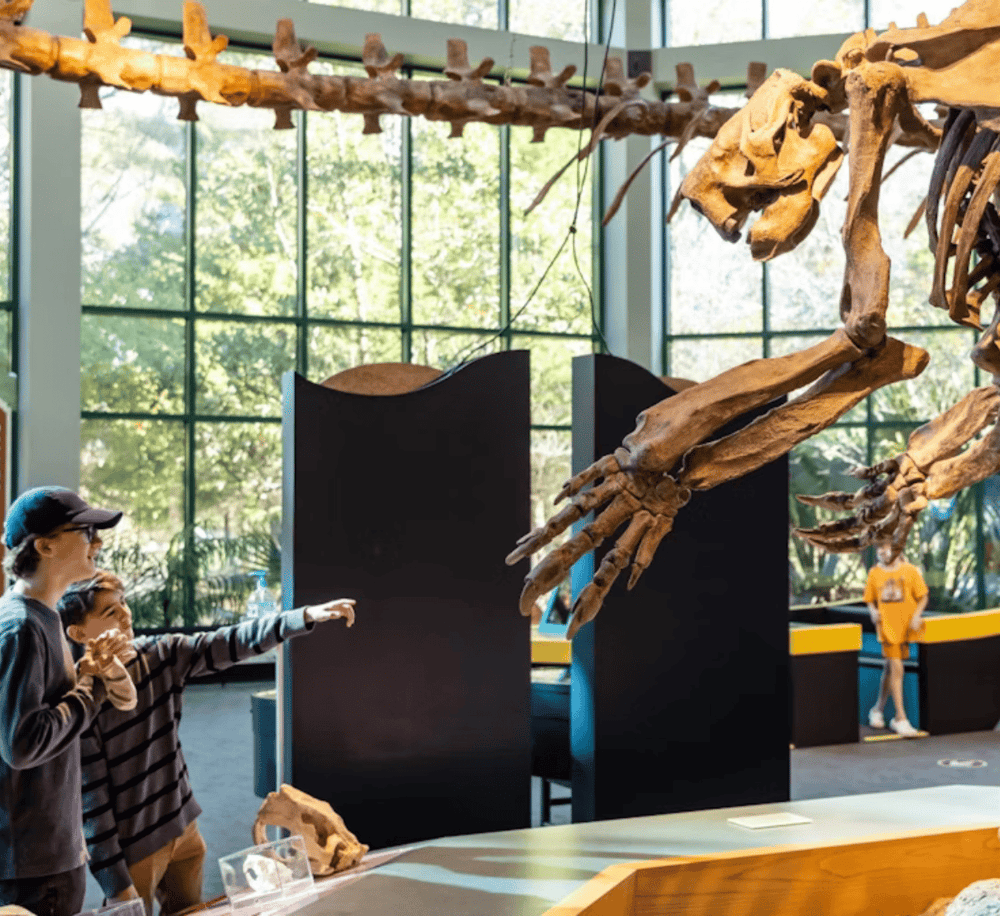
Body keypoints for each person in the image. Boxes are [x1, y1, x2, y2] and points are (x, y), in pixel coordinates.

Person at [58, 569, 356, 916]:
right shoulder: (82, 701)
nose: (126, 614)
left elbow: (227, 641)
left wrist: (302, 617)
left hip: (184, 828)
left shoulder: (159, 654)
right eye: (111, 611)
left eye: (123, 603)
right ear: (78, 632)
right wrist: (114, 883)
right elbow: (91, 801)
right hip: (135, 849)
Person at [0, 486, 136, 916]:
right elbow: (22, 743)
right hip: (33, 868)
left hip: (46, 853)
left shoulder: (43, 616)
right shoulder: (22, 627)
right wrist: (91, 687)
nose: (97, 543)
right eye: (85, 532)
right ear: (45, 546)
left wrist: (93, 674)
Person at [863, 542, 928, 738]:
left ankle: (877, 709)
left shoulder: (910, 571)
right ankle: (900, 718)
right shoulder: (874, 573)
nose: (883, 551)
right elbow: (869, 599)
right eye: (880, 548)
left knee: (890, 669)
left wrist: (916, 616)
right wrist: (873, 611)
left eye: (887, 547)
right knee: (897, 668)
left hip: (905, 627)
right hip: (887, 627)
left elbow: (923, 596)